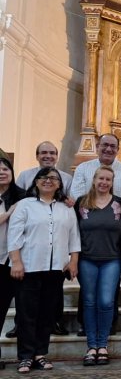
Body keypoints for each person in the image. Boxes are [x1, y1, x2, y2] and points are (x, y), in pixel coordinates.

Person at [8, 167, 80, 374]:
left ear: (59, 184)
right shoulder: (25, 205)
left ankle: (40, 354)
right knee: (26, 314)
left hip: (55, 269)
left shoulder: (66, 208)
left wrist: (73, 261)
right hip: (29, 267)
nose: (48, 181)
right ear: (36, 182)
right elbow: (15, 236)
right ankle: (25, 357)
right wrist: (16, 262)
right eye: (44, 178)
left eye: (53, 178)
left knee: (47, 314)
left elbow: (74, 237)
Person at [70, 133, 121, 336]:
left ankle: (109, 323)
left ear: (118, 149)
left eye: (112, 146)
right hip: (89, 228)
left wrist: (109, 210)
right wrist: (99, 210)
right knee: (88, 290)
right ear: (98, 146)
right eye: (105, 145)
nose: (108, 149)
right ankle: (85, 324)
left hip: (113, 232)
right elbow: (78, 195)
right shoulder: (83, 168)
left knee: (110, 289)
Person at [13, 141, 74, 337]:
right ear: (37, 155)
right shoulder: (25, 177)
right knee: (26, 302)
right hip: (31, 248)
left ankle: (55, 323)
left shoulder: (66, 177)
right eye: (43, 153)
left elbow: (68, 202)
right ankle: (20, 329)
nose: (47, 156)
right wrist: (16, 260)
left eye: (51, 153)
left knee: (52, 295)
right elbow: (18, 200)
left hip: (56, 246)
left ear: (56, 156)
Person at [75, 166, 121, 366]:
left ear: (112, 182)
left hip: (111, 259)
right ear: (94, 180)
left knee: (105, 301)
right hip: (87, 258)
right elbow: (73, 231)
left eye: (108, 179)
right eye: (101, 178)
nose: (104, 182)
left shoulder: (119, 204)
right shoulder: (81, 203)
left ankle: (102, 344)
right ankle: (91, 346)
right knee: (89, 301)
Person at [0, 158, 26, 370]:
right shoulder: (13, 205)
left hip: (13, 261)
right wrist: (9, 213)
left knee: (19, 311)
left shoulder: (22, 197)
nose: (2, 172)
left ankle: (26, 355)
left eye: (5, 168)